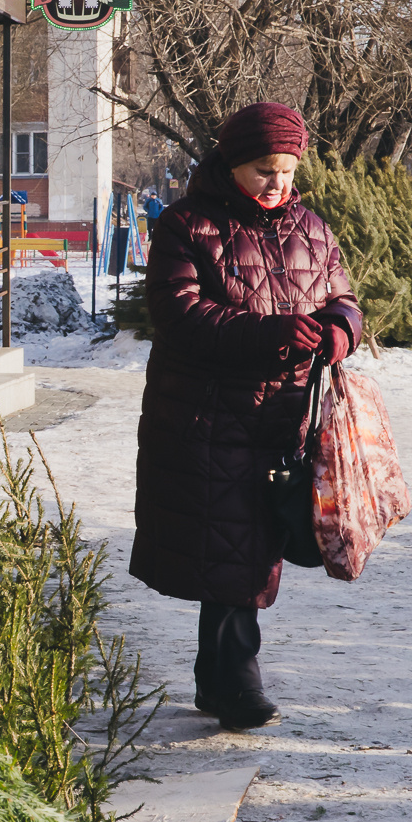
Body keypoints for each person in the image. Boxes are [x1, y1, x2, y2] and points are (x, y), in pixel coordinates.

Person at [129, 103, 364, 731]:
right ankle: (233, 682)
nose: (278, 184)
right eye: (265, 170)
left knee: (258, 547)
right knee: (235, 554)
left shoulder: (312, 228)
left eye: (287, 171)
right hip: (210, 419)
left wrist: (342, 331)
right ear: (233, 163)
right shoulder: (184, 227)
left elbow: (343, 296)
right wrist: (276, 335)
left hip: (288, 420)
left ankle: (222, 677)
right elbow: (180, 314)